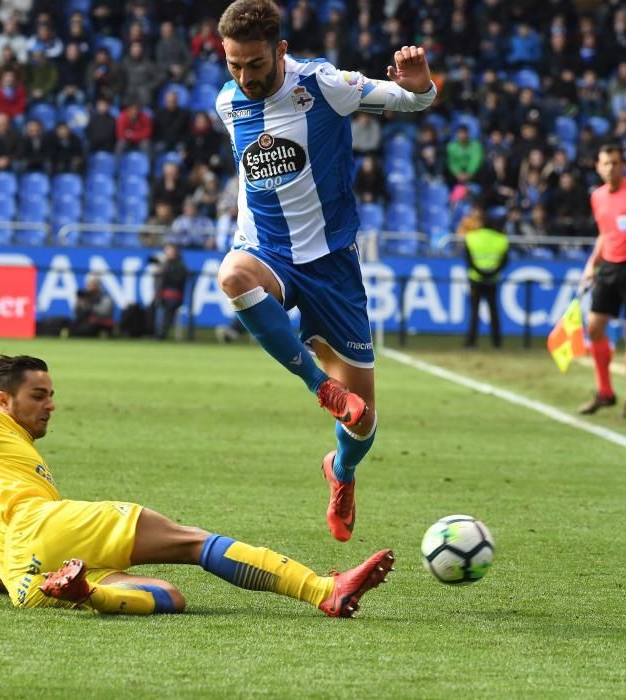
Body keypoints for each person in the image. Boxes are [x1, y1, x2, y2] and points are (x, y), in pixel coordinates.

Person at [0, 353, 394, 617]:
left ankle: (83, 590)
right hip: (47, 528)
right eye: (38, 395)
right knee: (192, 543)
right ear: (4, 401)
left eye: (51, 395)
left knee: (171, 598)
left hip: (29, 581)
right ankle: (325, 590)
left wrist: (21, 584)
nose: (50, 404)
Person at [214, 0, 436, 542]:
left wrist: (421, 84)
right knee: (232, 276)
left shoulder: (324, 83)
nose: (244, 78)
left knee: (362, 423)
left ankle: (341, 472)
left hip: (332, 264)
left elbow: (411, 101)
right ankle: (321, 387)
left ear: (281, 51)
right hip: (267, 251)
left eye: (255, 67)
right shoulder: (227, 102)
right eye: (234, 65)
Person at [579, 144, 626, 416]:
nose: (611, 168)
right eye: (606, 163)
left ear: (622, 166)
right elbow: (605, 234)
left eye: (616, 163)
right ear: (598, 166)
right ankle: (605, 392)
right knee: (595, 328)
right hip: (608, 267)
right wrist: (591, 265)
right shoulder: (597, 197)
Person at [459, 205, 510, 349]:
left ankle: (471, 342)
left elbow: (468, 260)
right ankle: (497, 342)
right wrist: (492, 272)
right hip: (492, 280)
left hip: (475, 279)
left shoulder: (471, 238)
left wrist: (480, 272)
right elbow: (505, 261)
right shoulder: (501, 239)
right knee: (493, 311)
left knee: (474, 312)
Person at [152, 243, 189, 340]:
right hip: (162, 295)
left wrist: (164, 272)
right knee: (151, 306)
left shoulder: (180, 265)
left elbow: (177, 280)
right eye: (167, 250)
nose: (168, 253)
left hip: (174, 295)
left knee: (169, 307)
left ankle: (162, 333)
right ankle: (150, 331)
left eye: (170, 250)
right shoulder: (164, 263)